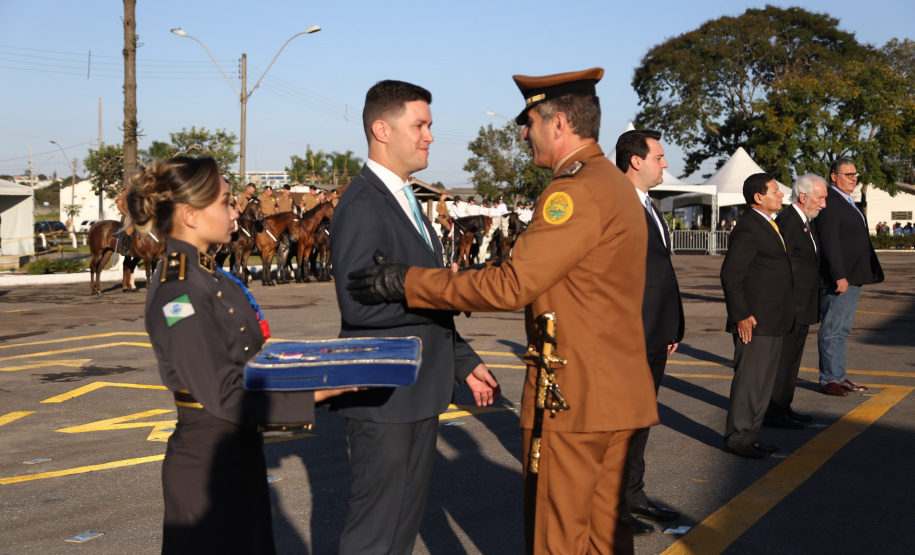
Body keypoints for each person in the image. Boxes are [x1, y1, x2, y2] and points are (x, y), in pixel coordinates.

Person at [346, 67, 659, 555]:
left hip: (576, 398)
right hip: (616, 392)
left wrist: (406, 281)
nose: (523, 133)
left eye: (529, 121)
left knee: (559, 540)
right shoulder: (614, 183)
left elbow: (513, 283)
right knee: (604, 537)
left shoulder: (573, 190)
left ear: (557, 124)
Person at [127, 156, 352, 553]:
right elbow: (223, 393)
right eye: (226, 202)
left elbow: (254, 358)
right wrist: (322, 388)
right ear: (190, 215)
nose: (235, 212)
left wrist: (322, 364)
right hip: (206, 471)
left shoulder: (215, 277)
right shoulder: (178, 291)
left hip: (239, 454)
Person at [328, 79, 499, 555]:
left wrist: (464, 361)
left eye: (429, 126)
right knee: (375, 532)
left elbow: (422, 302)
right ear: (382, 129)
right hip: (385, 396)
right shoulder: (362, 204)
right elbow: (358, 304)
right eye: (419, 125)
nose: (428, 136)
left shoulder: (407, 201)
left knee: (401, 527)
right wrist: (438, 286)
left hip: (416, 390)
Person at [615, 128, 684, 533]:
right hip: (628, 336)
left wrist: (671, 325)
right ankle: (612, 508)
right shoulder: (616, 204)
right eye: (659, 156)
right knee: (621, 426)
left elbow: (660, 273)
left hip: (655, 332)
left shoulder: (648, 205)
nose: (666, 163)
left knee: (640, 422)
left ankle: (633, 496)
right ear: (636, 161)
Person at [720, 173, 795, 458]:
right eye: (775, 191)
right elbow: (731, 273)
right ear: (758, 197)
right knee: (750, 382)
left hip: (774, 318)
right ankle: (737, 438)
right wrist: (741, 315)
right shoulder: (749, 227)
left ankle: (750, 435)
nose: (781, 195)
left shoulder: (769, 225)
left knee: (763, 384)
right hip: (754, 321)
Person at [764, 174, 828, 428]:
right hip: (791, 306)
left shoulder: (806, 221)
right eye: (820, 198)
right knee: (782, 362)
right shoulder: (788, 222)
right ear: (803, 197)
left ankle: (784, 406)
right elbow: (782, 268)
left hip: (803, 305)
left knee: (792, 361)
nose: (823, 204)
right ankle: (773, 411)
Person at [816, 159, 883, 395]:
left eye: (855, 174)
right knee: (832, 330)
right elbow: (829, 242)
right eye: (848, 174)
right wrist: (839, 275)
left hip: (854, 276)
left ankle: (839, 376)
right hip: (841, 278)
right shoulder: (831, 202)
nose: (853, 178)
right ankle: (828, 379)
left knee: (842, 330)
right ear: (834, 176)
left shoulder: (847, 201)